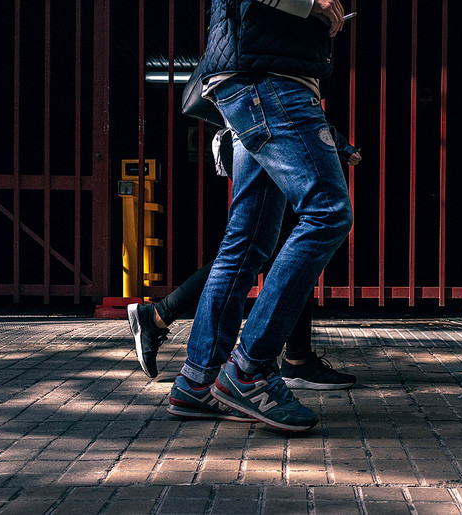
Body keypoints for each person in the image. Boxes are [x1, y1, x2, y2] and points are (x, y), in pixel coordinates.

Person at [173, 0, 353, 432]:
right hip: (267, 80)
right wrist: (313, 4)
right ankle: (249, 370)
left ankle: (197, 380)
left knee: (246, 240)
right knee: (327, 213)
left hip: (255, 79)